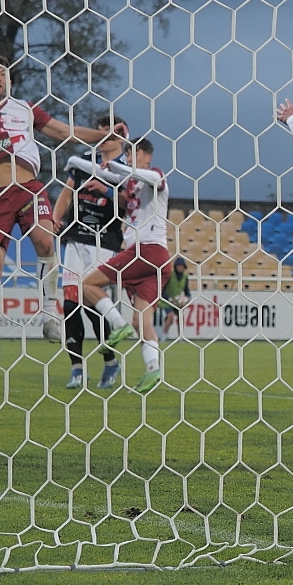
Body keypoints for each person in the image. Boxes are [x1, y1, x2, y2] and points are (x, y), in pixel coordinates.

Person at [0, 55, 112, 379]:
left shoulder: (25, 108)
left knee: (46, 241)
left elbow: (63, 131)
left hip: (28, 188)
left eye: (3, 73)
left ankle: (50, 314)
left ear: (9, 81)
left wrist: (103, 136)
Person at [73, 139, 172, 395]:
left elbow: (144, 177)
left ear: (147, 156)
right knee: (141, 320)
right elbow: (116, 183)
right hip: (157, 260)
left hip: (146, 250)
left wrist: (115, 169)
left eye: (134, 152)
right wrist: (81, 166)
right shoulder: (131, 183)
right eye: (127, 153)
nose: (129, 157)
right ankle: (153, 369)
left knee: (87, 284)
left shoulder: (155, 175)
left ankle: (117, 324)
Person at [51, 113, 128, 390]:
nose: (103, 136)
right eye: (100, 130)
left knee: (93, 303)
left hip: (104, 241)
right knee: (71, 304)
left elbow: (127, 202)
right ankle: (76, 368)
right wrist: (55, 217)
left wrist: (105, 189)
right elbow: (67, 192)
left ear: (121, 136)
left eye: (109, 131)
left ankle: (110, 361)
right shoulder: (85, 160)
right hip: (76, 237)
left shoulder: (125, 168)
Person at [158, 257, 191, 340]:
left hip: (177, 302)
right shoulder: (170, 275)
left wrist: (187, 299)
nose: (180, 268)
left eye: (182, 266)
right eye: (179, 266)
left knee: (181, 317)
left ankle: (180, 336)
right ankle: (164, 335)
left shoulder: (185, 277)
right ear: (175, 266)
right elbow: (162, 290)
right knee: (170, 316)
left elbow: (187, 291)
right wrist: (170, 299)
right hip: (166, 301)